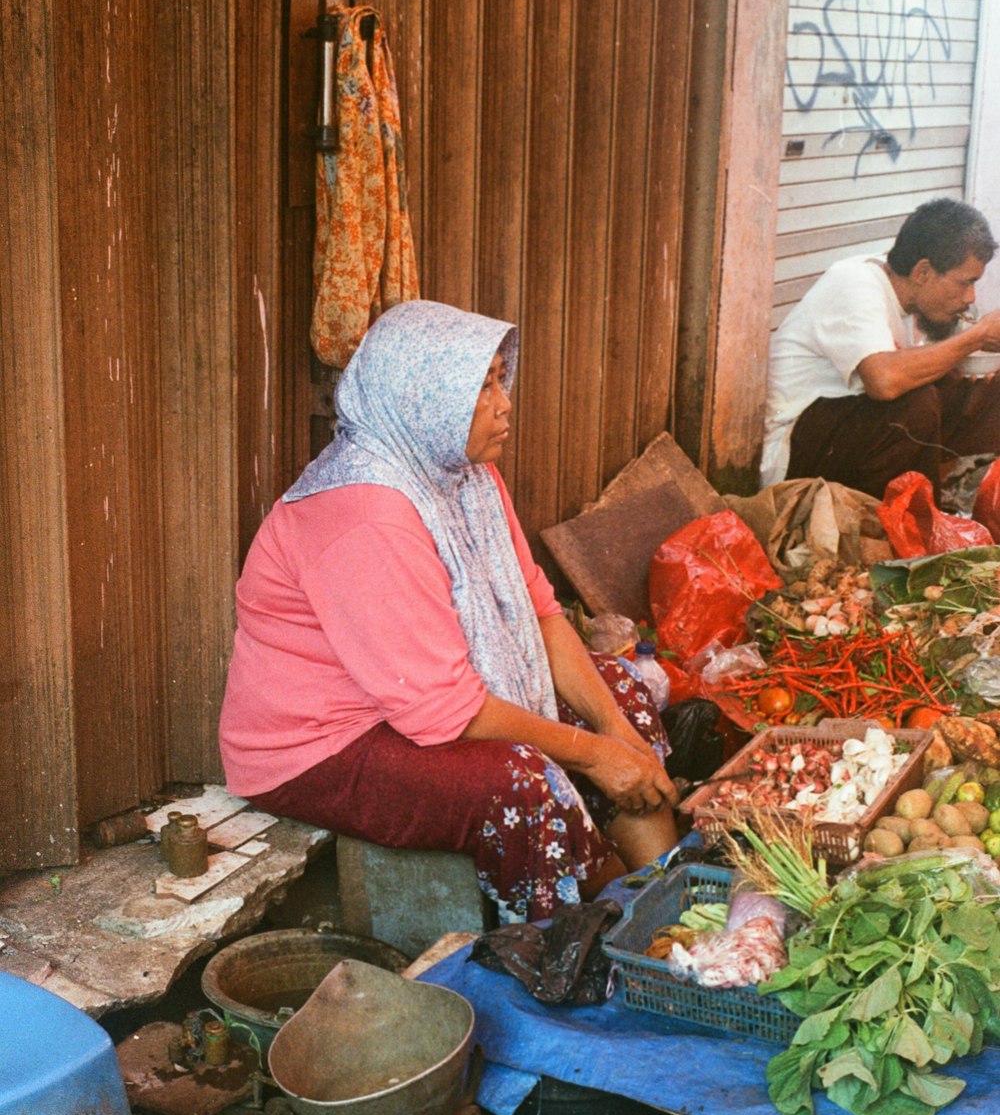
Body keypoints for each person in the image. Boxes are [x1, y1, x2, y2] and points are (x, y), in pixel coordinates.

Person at [219, 300, 678, 923]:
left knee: (618, 688)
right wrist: (596, 755)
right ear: (421, 397)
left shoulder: (465, 477)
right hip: (322, 748)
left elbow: (541, 614)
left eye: (499, 378)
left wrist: (616, 734)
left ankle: (667, 893)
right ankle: (601, 933)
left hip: (416, 707)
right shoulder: (364, 514)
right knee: (522, 781)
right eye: (480, 387)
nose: (503, 402)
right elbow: (445, 712)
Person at [760, 197, 1000, 499]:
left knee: (977, 391)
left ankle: (931, 508)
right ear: (923, 271)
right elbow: (884, 381)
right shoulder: (854, 283)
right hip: (793, 460)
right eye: (965, 283)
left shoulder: (912, 298)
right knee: (918, 404)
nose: (970, 297)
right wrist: (977, 336)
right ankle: (903, 525)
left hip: (851, 435)